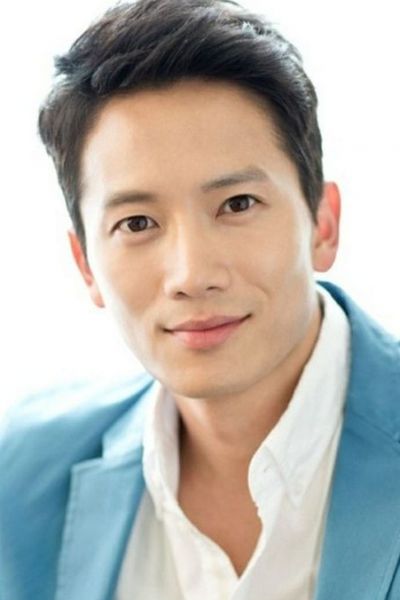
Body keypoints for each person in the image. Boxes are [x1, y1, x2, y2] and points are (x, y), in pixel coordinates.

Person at [1, 0, 399, 598]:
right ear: (85, 264)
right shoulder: (22, 475)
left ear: (322, 223)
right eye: (137, 223)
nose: (191, 274)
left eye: (237, 205)